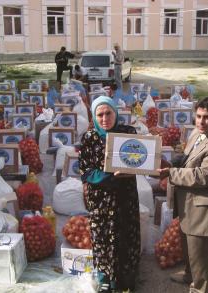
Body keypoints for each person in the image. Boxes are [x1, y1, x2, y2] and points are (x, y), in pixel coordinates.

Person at [157, 97, 208, 293]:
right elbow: (188, 157)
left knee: (201, 256)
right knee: (190, 249)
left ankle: (200, 288)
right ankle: (189, 275)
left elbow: (201, 177)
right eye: (198, 116)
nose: (201, 121)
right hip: (189, 203)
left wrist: (170, 173)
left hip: (204, 208)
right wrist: (173, 162)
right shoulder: (197, 133)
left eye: (207, 117)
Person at [79, 96, 140, 292]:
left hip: (126, 196)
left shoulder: (128, 133)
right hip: (101, 199)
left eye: (108, 113)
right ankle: (106, 278)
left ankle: (125, 278)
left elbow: (140, 158)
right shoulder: (89, 138)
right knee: (103, 236)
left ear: (116, 113)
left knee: (126, 233)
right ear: (94, 117)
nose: (104, 118)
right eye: (100, 114)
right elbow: (85, 171)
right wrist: (110, 175)